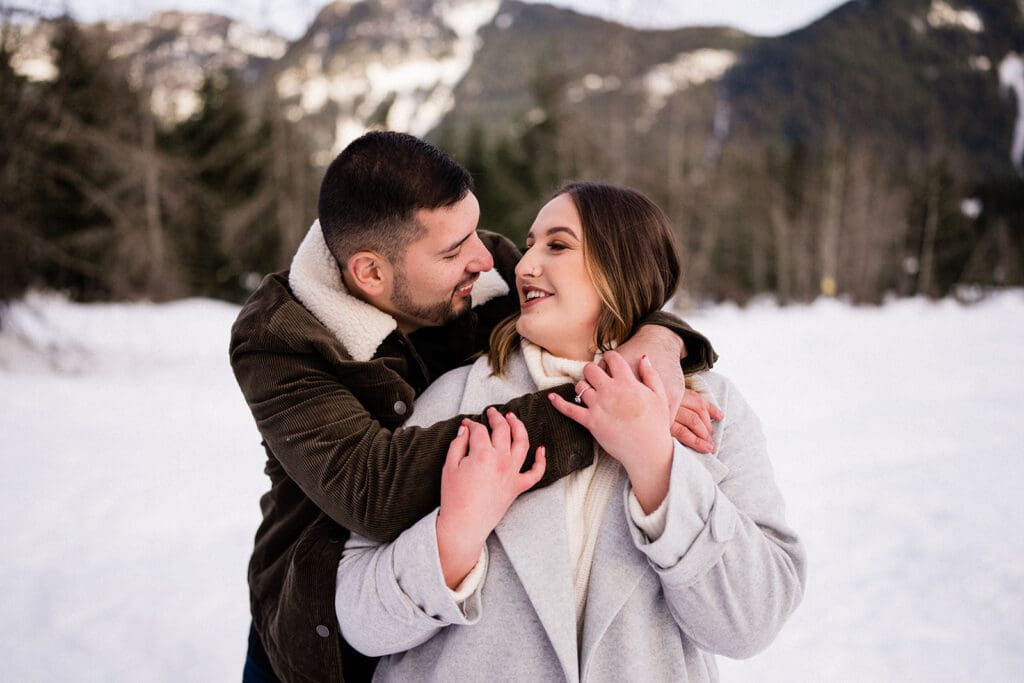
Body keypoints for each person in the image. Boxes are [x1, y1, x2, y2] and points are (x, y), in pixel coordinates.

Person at [229, 133, 720, 681]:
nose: (487, 259)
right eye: (453, 250)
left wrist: (657, 343)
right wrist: (608, 411)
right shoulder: (280, 338)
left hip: (436, 638)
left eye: (475, 230)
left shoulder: (484, 270)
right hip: (319, 643)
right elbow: (372, 488)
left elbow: (608, 294)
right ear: (371, 273)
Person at [335, 181, 806, 681]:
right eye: (529, 245)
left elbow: (752, 624)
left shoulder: (709, 409)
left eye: (557, 245)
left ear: (623, 267)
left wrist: (655, 464)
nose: (523, 266)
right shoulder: (455, 398)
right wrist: (455, 536)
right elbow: (361, 622)